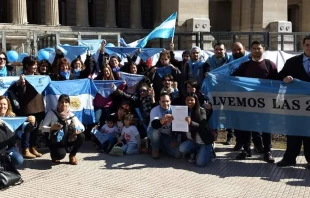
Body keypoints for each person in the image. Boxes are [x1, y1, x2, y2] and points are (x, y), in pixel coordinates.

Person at [232, 40, 279, 163]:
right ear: (250, 50)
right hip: (248, 103)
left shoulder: (270, 65)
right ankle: (246, 150)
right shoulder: (245, 66)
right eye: (254, 48)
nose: (257, 51)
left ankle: (267, 151)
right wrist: (214, 77)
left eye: (259, 48)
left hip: (265, 103)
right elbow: (233, 80)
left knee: (266, 127)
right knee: (246, 126)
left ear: (263, 49)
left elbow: (277, 83)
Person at [277, 35, 310, 169]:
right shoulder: (292, 62)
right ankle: (289, 158)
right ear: (303, 46)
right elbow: (279, 76)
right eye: (307, 45)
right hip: (294, 104)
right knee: (293, 132)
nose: (309, 47)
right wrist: (284, 78)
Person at [41, 94, 85, 165]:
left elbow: (82, 127)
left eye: (66, 102)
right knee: (59, 155)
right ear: (58, 103)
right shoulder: (51, 113)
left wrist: (78, 130)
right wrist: (51, 128)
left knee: (81, 136)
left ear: (69, 104)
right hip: (55, 141)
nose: (64, 104)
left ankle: (72, 155)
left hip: (67, 139)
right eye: (61, 102)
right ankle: (54, 154)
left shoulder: (70, 114)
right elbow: (42, 128)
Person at [18, 56, 44, 158]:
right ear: (27, 66)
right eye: (33, 65)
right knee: (28, 129)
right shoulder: (22, 77)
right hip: (28, 107)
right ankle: (25, 149)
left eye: (36, 64)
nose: (35, 66)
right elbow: (21, 93)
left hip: (39, 106)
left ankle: (33, 147)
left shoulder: (39, 76)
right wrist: (23, 84)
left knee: (36, 129)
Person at [179, 93, 215, 167]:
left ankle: (210, 151)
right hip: (193, 140)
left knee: (200, 164)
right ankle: (195, 152)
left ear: (196, 101)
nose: (189, 102)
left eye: (191, 100)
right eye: (187, 100)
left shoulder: (201, 111)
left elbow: (202, 126)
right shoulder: (182, 111)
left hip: (204, 141)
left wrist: (191, 122)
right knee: (182, 148)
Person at [0, 96, 36, 165]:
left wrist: (32, 122)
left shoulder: (12, 119)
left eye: (4, 104)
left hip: (10, 149)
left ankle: (8, 165)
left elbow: (26, 128)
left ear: (8, 106)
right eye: (0, 104)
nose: (2, 106)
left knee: (18, 160)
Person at [147, 92, 181, 159]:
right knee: (155, 131)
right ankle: (155, 149)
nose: (165, 103)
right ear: (159, 102)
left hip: (167, 136)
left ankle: (160, 146)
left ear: (170, 101)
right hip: (155, 133)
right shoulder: (154, 110)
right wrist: (162, 120)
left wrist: (177, 141)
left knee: (177, 154)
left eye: (167, 101)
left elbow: (181, 127)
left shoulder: (176, 110)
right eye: (163, 101)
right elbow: (154, 125)